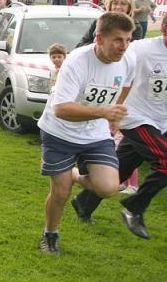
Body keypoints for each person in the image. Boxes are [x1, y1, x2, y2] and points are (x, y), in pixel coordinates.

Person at [37, 11, 136, 255]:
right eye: (117, 40)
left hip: (95, 134)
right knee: (60, 192)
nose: (123, 46)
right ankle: (50, 234)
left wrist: (115, 111)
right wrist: (104, 112)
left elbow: (127, 83)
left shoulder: (128, 59)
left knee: (108, 187)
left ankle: (72, 174)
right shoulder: (77, 62)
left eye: (128, 40)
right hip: (59, 132)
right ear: (99, 38)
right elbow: (61, 109)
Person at [71, 16, 167, 237]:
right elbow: (112, 61)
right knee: (165, 161)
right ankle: (134, 209)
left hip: (161, 120)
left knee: (121, 169)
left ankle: (84, 203)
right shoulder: (142, 49)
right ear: (163, 28)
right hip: (135, 116)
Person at [76, 0, 143, 47]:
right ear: (110, 5)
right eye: (115, 3)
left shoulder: (135, 28)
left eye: (123, 4)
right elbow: (79, 46)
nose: (118, 7)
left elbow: (131, 53)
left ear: (129, 7)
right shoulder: (99, 22)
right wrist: (94, 45)